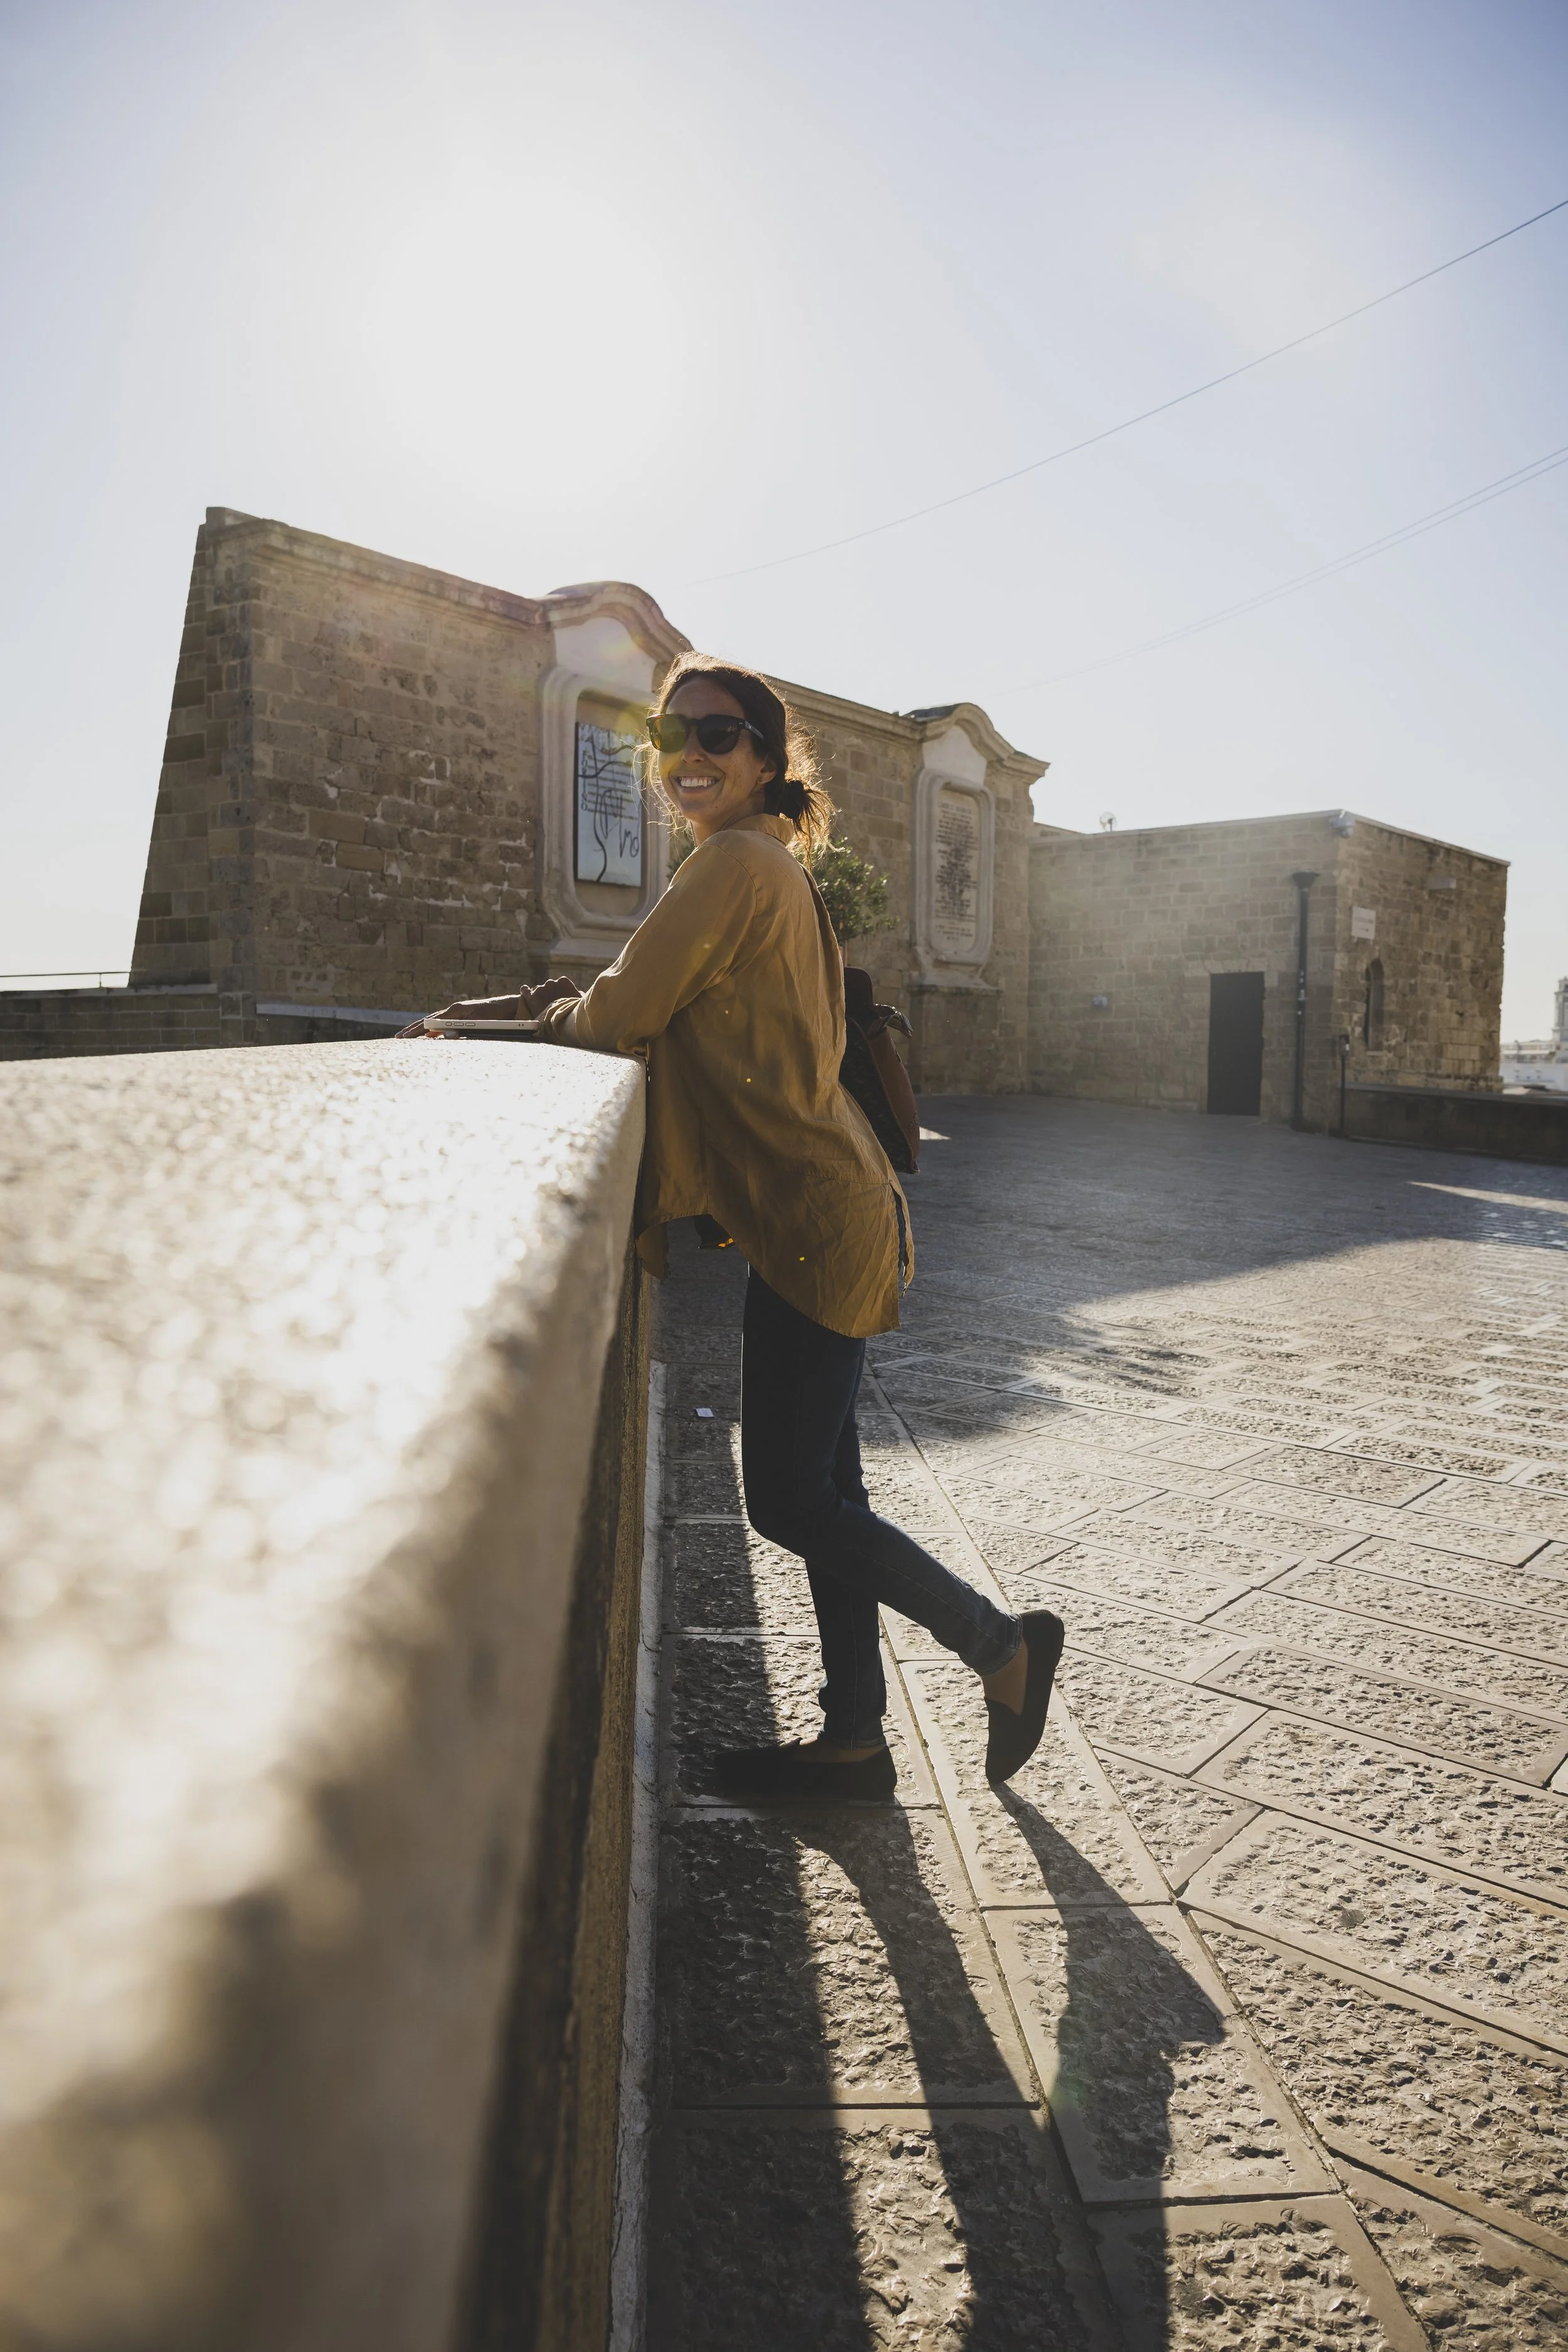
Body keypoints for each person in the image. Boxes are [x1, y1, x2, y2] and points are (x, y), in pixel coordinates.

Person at [406, 654, 1062, 1799]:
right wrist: (511, 1012)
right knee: (832, 1498)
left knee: (791, 1500)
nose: (688, 757)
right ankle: (856, 1733)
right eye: (670, 738)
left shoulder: (734, 867)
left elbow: (617, 1013)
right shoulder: (767, 870)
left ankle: (1002, 1647)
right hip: (819, 1213)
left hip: (815, 1219)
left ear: (765, 756)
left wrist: (508, 1020)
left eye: (716, 734)